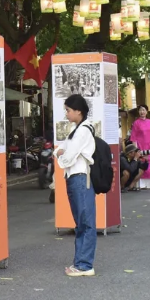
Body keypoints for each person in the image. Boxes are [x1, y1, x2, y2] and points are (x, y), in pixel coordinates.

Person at [55, 94, 96, 277]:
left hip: (80, 177)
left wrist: (62, 154)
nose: (67, 114)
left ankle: (85, 264)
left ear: (78, 111)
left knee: (85, 222)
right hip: (74, 178)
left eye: (68, 110)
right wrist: (62, 153)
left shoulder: (84, 130)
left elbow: (66, 158)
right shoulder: (76, 130)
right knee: (80, 222)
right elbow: (60, 151)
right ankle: (80, 262)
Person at [128, 104, 150, 189]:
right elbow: (134, 138)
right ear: (138, 112)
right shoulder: (136, 123)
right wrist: (136, 149)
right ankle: (141, 184)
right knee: (142, 165)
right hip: (141, 147)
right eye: (140, 110)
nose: (142, 112)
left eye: (143, 110)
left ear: (147, 111)